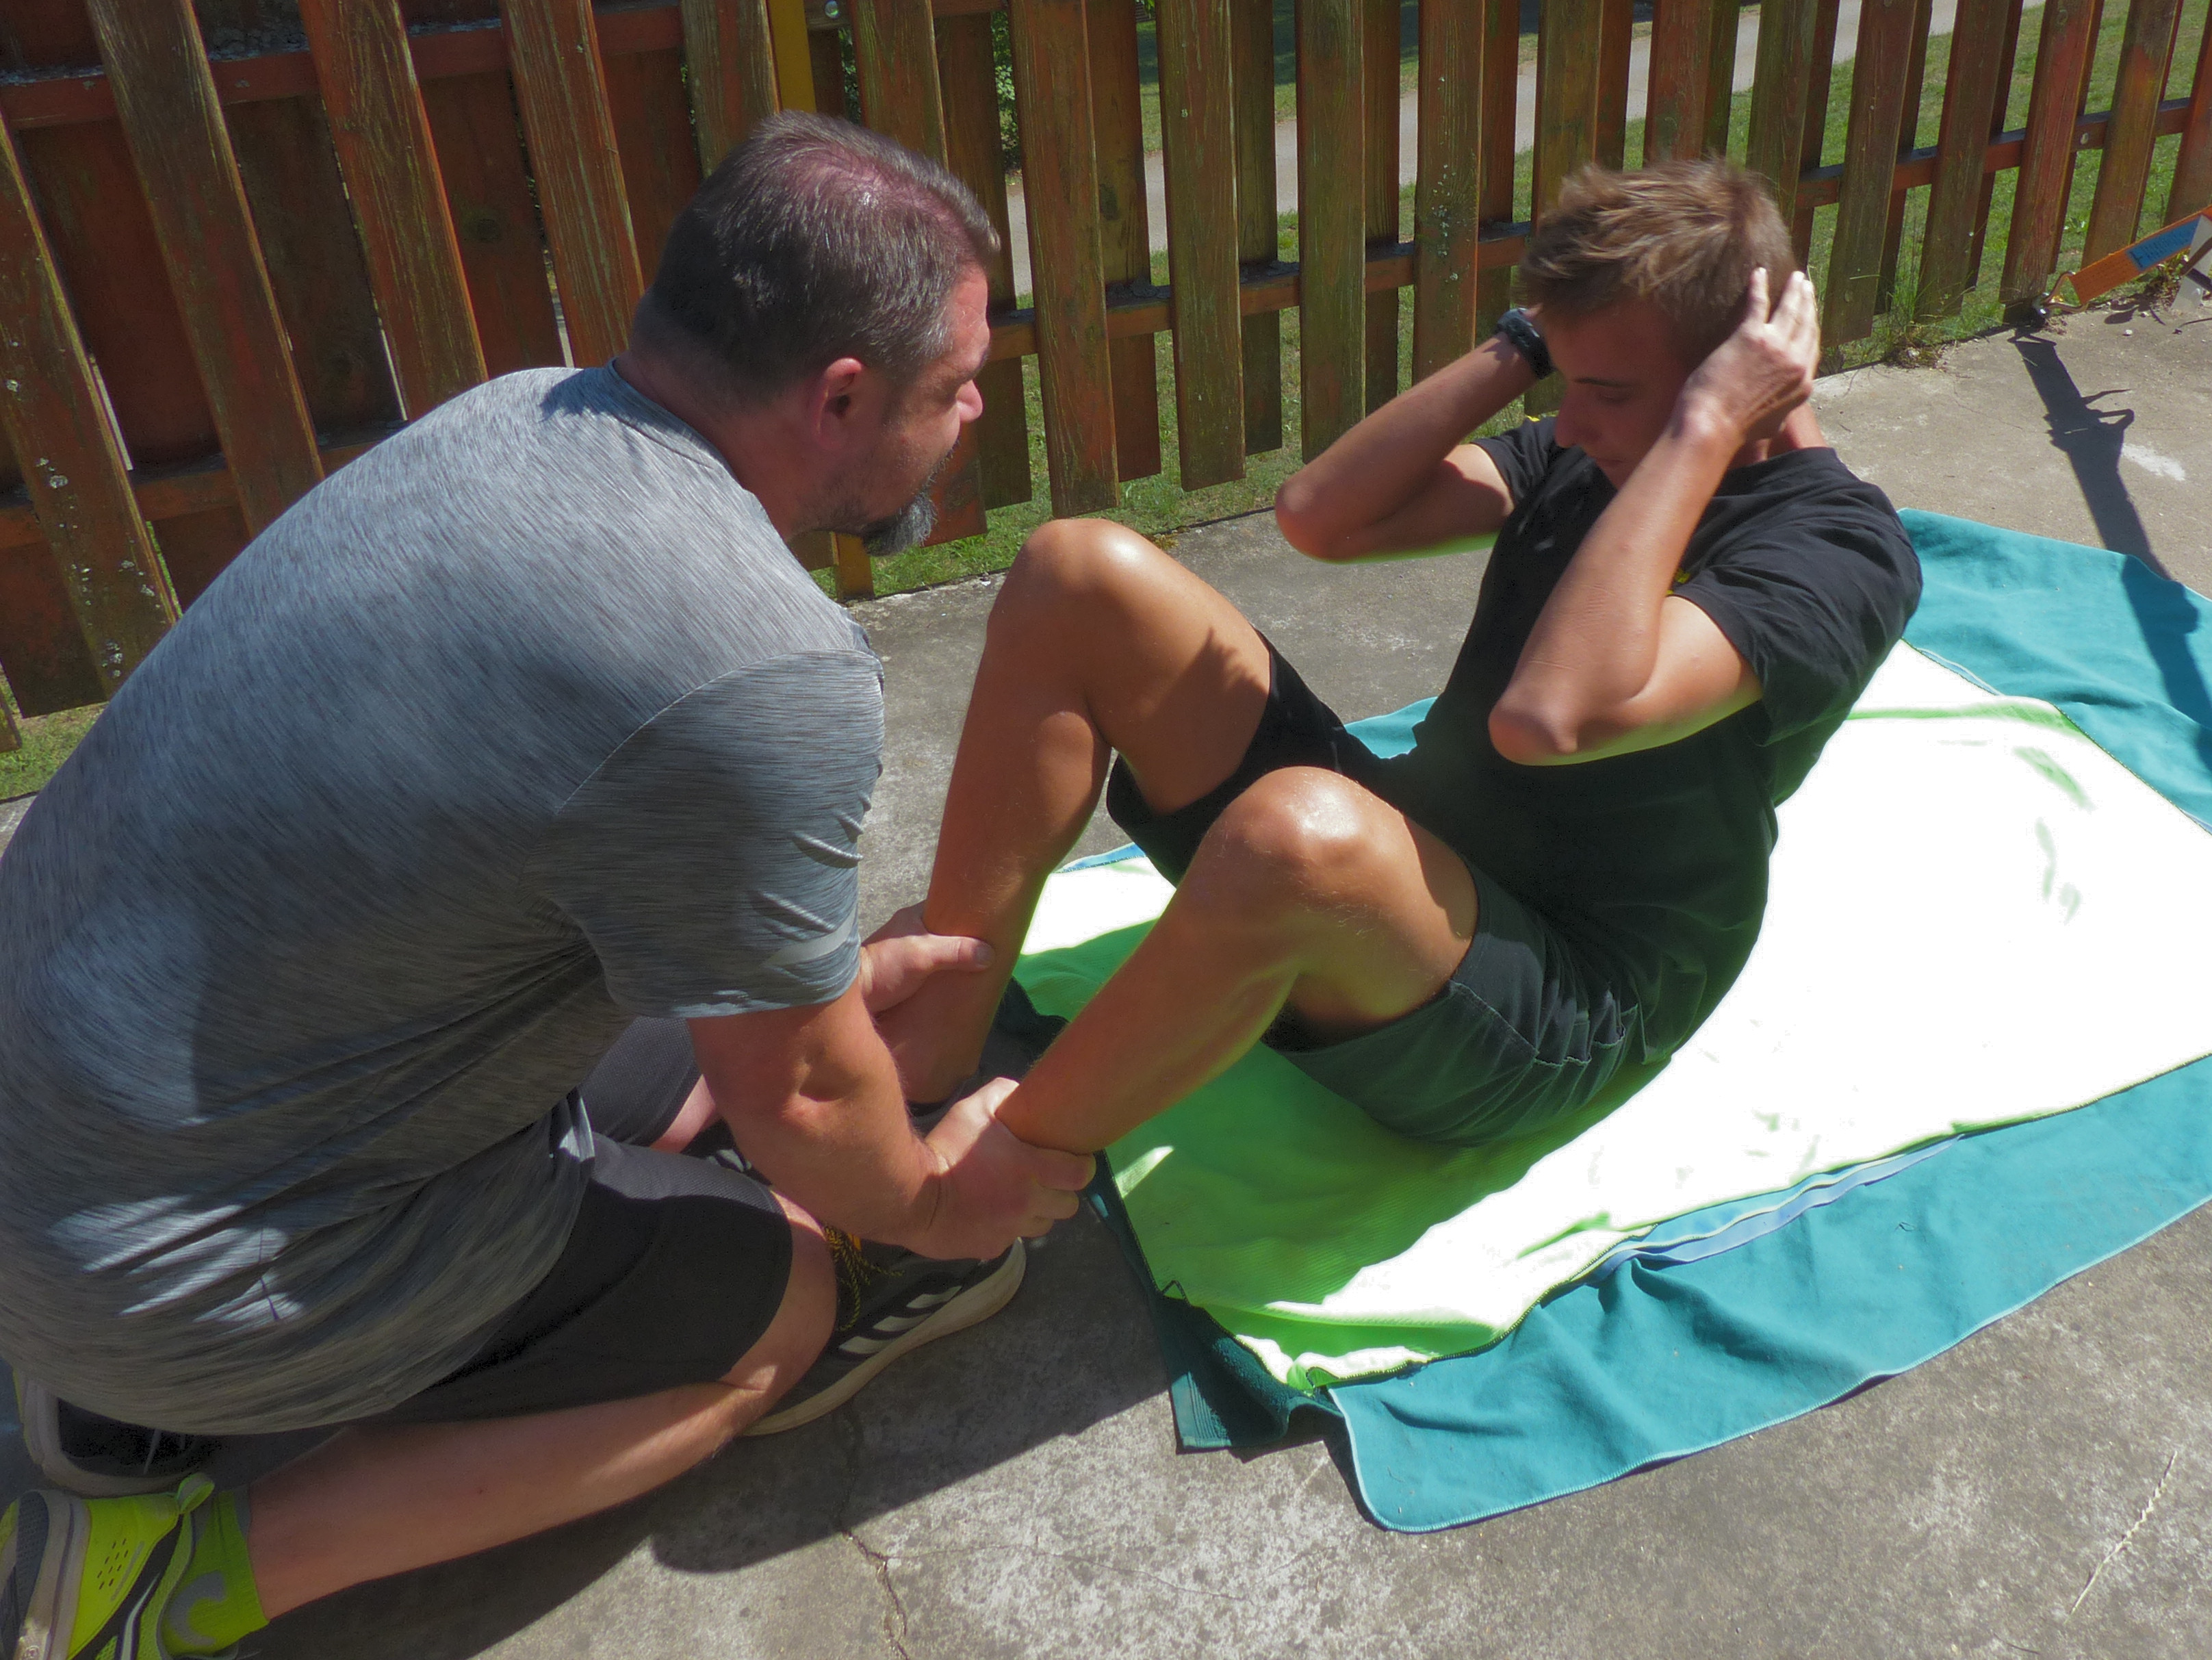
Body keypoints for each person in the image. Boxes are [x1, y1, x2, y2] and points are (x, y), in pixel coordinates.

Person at [0, 113, 1089, 1660]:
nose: (976, 403)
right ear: (842, 397)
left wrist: (818, 995)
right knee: (784, 1307)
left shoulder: (514, 414)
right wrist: (936, 1201)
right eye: (954, 381)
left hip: (56, 1132)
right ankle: (171, 1581)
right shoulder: (757, 662)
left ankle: (115, 1404)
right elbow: (804, 1106)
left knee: (693, 1073)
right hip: (165, 1277)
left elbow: (529, 871)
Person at [881, 159, 1922, 1162]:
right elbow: (1322, 517)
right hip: (1409, 873)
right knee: (1077, 574)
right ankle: (935, 1038)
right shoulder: (1598, 449)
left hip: (1559, 1000)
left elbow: (1551, 716)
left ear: (1740, 378)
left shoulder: (1836, 553)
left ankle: (984, 1183)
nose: (1567, 423)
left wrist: (1702, 432)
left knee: (1295, 834)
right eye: (1566, 380)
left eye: (1607, 390)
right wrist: (1525, 342)